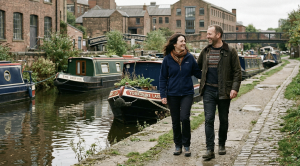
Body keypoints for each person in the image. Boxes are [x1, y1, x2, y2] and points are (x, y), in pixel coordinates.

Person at [197, 25, 242, 161]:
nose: (207, 36)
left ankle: (221, 143)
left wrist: (234, 88)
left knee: (223, 119)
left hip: (224, 91)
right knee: (209, 119)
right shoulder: (205, 51)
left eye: (210, 34)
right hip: (209, 91)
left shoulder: (231, 51)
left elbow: (237, 72)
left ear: (218, 35)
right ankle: (210, 149)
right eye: (207, 34)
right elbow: (197, 67)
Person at [159, 33, 202, 157]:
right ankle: (178, 145)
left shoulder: (189, 57)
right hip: (172, 94)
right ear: (175, 44)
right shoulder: (167, 59)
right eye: (181, 41)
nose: (184, 43)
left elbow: (198, 73)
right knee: (176, 120)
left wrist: (210, 72)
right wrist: (163, 95)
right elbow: (162, 78)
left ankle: (186, 145)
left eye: (184, 41)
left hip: (187, 93)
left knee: (185, 117)